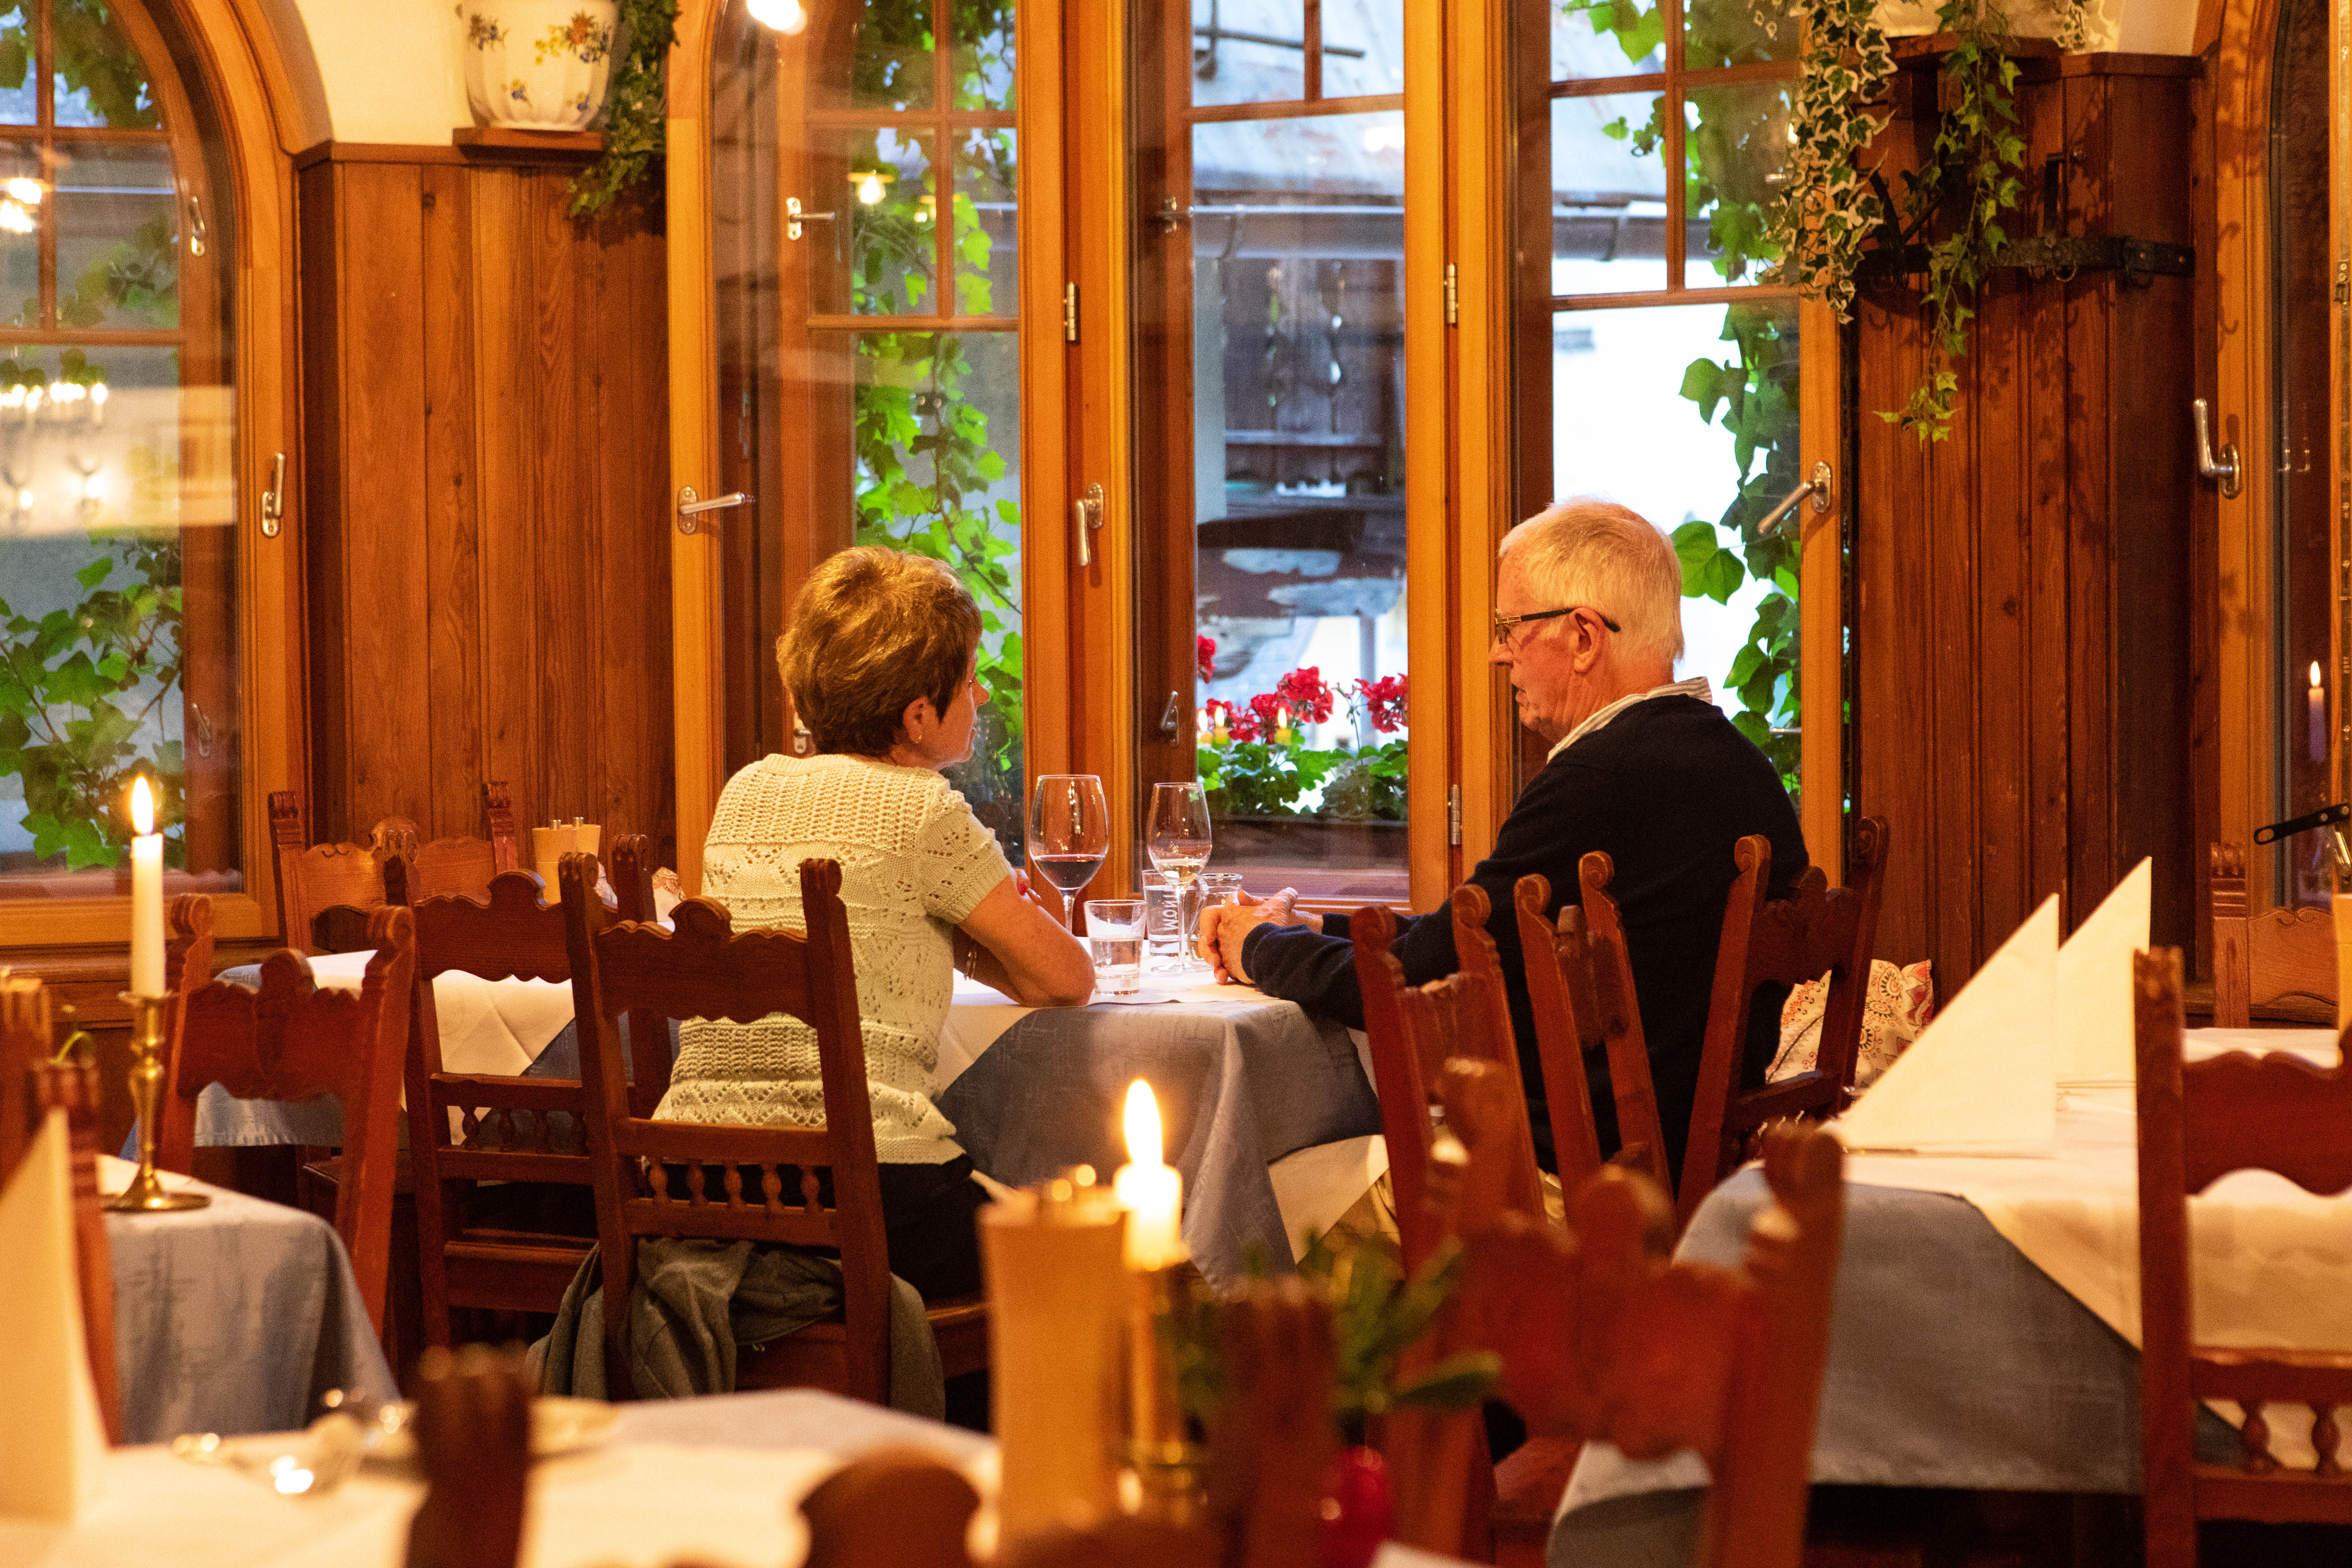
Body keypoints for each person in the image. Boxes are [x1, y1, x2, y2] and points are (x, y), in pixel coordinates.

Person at [1198, 498, 1808, 1186]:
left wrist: (1257, 946)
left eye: (1509, 627)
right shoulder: (1740, 769)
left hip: (1571, 1196)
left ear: (1581, 637)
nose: (1495, 652)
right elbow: (1463, 939)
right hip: (1695, 1181)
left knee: (1257, 1190)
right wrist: (1312, 924)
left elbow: (1413, 981)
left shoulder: (1602, 777)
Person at [655, 546, 1094, 1302]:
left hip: (702, 1183)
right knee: (1078, 1270)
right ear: (918, 716)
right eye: (968, 683)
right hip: (865, 1185)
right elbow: (1067, 977)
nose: (982, 695)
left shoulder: (743, 792)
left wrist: (952, 925)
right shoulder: (921, 808)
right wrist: (980, 929)